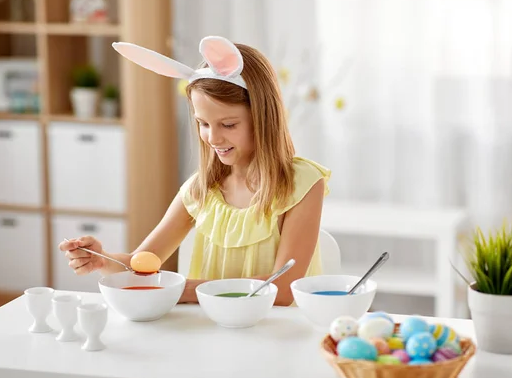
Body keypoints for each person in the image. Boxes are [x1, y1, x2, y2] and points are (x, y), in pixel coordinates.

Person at [59, 36, 331, 306]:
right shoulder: (201, 190)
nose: (213, 138)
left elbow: (282, 290)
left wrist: (182, 291)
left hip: (279, 335)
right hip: (210, 333)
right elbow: (142, 264)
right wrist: (102, 259)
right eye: (203, 123)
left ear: (262, 118)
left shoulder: (302, 184)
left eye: (228, 124)